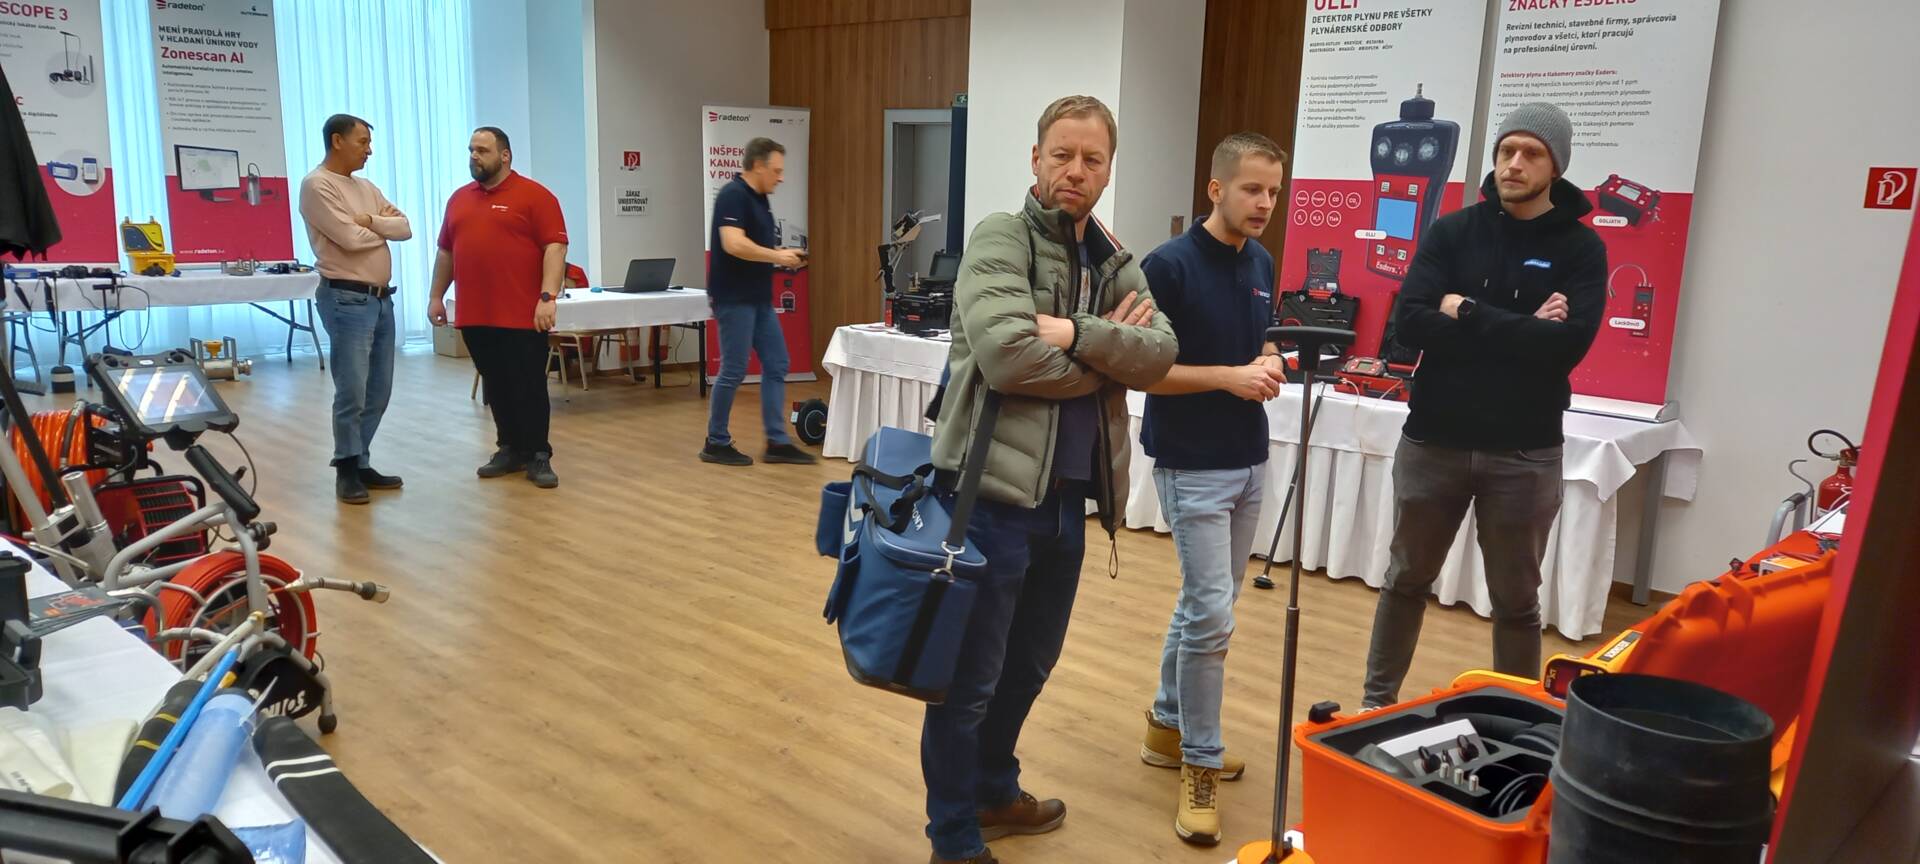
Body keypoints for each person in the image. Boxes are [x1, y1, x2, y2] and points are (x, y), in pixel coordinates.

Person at [920, 95, 1178, 864]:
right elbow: (1008, 359)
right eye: (1062, 154)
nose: (1076, 170)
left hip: (1068, 503)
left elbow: (1161, 352)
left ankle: (994, 791)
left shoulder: (1113, 258)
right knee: (970, 680)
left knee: (1029, 667)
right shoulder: (1000, 238)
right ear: (1036, 159)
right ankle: (953, 838)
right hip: (988, 501)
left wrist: (1074, 333)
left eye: (1092, 159)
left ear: (1108, 169)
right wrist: (1106, 361)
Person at [1361, 102, 1606, 708]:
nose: (1514, 163)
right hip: (1434, 440)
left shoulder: (1581, 249)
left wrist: (1465, 310)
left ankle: (1518, 715)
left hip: (1524, 452)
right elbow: (1410, 324)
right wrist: (1525, 327)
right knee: (1404, 581)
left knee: (1517, 602)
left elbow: (1564, 348)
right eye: (1506, 151)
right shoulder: (1452, 232)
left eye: (1531, 153)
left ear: (1556, 167)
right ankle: (1375, 704)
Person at [1135, 132, 1290, 845]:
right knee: (1210, 617)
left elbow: (1261, 339)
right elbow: (1143, 372)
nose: (1264, 203)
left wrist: (1269, 358)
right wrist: (1231, 377)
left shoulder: (1260, 260)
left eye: (1273, 191)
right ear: (1216, 189)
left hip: (1248, 460)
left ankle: (1167, 727)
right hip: (1190, 463)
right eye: (1253, 189)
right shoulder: (1166, 267)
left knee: (1208, 606)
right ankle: (1198, 762)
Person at [428, 126, 569, 489]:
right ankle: (509, 448)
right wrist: (436, 296)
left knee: (528, 384)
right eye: (471, 150)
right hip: (476, 313)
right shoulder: (459, 199)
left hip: (521, 314)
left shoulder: (536, 196)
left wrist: (547, 297)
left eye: (482, 150)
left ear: (505, 156)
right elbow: (446, 251)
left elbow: (555, 248)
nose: (474, 156)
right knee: (496, 383)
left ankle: (538, 453)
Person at [298, 113, 411, 505]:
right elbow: (348, 238)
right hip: (346, 299)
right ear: (337, 141)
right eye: (362, 142)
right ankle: (346, 468)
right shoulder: (317, 185)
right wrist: (378, 227)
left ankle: (360, 459)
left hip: (381, 299)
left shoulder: (366, 187)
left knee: (379, 389)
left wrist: (368, 221)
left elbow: (405, 228)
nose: (369, 150)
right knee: (352, 389)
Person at [699, 137, 816, 467]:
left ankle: (777, 442)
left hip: (758, 298)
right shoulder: (732, 195)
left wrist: (782, 255)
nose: (781, 177)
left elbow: (753, 248)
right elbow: (733, 244)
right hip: (734, 298)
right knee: (734, 369)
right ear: (758, 166)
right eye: (776, 171)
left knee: (777, 363)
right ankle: (716, 442)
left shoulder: (760, 199)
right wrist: (777, 256)